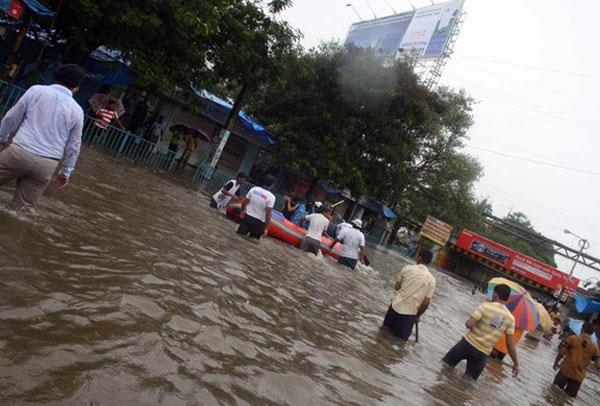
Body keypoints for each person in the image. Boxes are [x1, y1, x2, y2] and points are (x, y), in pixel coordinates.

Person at [0, 64, 85, 210]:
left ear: (56, 76)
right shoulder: (77, 111)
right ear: (77, 87)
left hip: (19, 153)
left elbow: (11, 117)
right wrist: (66, 172)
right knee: (20, 212)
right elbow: (74, 146)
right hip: (47, 165)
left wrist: (2, 138)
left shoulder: (36, 91)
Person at [442, 284, 519, 380]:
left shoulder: (485, 306)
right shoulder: (510, 318)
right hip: (482, 353)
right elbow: (510, 344)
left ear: (495, 295)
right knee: (468, 382)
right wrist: (515, 363)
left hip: (467, 344)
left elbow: (469, 324)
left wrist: (470, 322)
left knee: (444, 367)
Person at [382, 249, 436, 341]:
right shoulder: (431, 280)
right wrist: (417, 316)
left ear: (419, 258)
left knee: (382, 334)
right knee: (398, 343)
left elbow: (397, 287)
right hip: (408, 315)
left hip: (394, 307)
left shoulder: (407, 269)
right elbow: (426, 303)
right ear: (429, 262)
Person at [552, 321, 600, 398]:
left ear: (582, 329)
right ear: (592, 333)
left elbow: (561, 353)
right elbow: (598, 365)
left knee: (553, 393)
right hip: (578, 377)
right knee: (568, 399)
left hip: (565, 371)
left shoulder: (572, 339)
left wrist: (555, 363)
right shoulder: (595, 347)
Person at [237, 174, 276, 239]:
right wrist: (266, 228)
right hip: (259, 223)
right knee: (253, 242)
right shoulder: (271, 197)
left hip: (247, 218)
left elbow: (244, 203)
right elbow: (268, 215)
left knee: (238, 237)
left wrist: (242, 211)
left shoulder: (254, 189)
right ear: (272, 185)